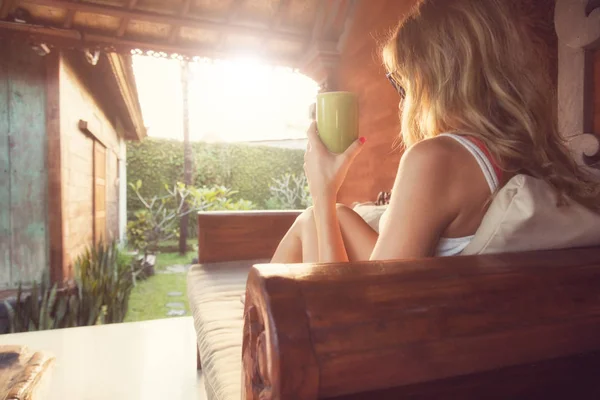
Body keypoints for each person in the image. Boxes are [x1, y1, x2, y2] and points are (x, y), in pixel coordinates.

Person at [271, 0, 600, 264]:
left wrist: (323, 191)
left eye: (401, 80)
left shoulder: (436, 158)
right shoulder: (518, 153)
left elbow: (372, 305)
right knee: (326, 217)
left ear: (429, 77)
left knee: (317, 217)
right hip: (457, 305)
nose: (404, 95)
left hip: (387, 330)